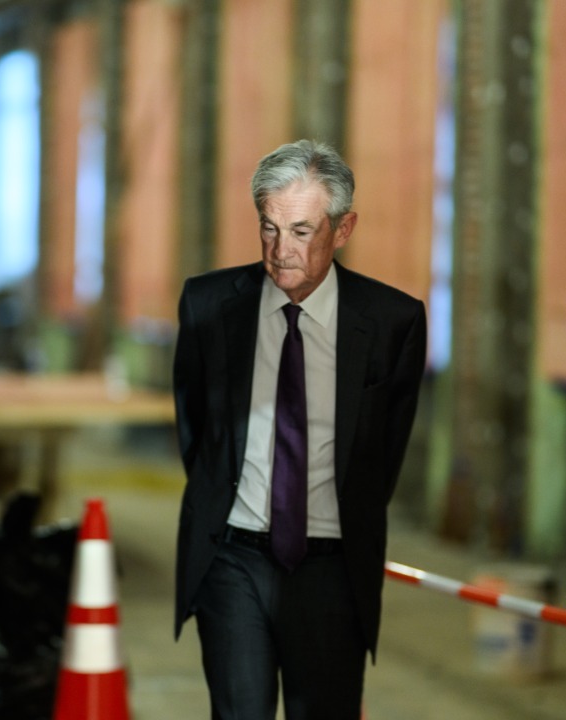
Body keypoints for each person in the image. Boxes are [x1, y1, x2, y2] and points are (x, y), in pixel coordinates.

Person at [172, 139, 427, 719]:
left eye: (302, 231)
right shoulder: (209, 306)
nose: (280, 249)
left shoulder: (392, 322)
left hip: (332, 567)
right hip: (233, 559)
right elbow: (197, 430)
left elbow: (383, 453)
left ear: (343, 229)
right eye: (269, 227)